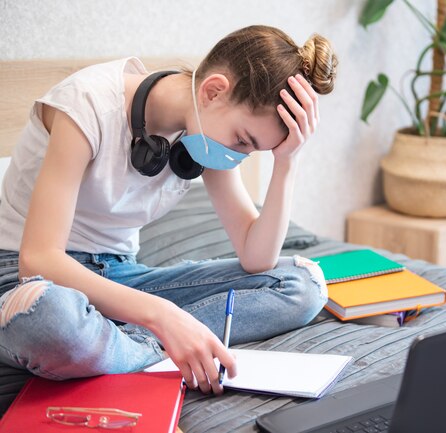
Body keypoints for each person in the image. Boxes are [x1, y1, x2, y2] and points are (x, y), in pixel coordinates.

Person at [0, 25, 338, 395]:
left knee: (301, 287)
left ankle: (122, 347)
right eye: (242, 140)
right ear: (213, 91)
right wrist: (164, 316)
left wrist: (287, 161)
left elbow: (257, 258)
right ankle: (158, 348)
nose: (239, 156)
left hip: (119, 278)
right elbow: (39, 260)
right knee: (50, 321)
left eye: (252, 149)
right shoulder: (87, 103)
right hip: (29, 279)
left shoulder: (201, 135)